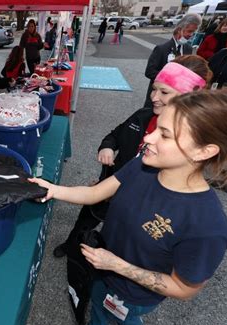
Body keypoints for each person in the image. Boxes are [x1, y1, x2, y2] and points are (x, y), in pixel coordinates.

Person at [31, 90, 227, 325]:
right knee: (95, 297)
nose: (148, 137)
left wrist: (117, 265)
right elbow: (95, 193)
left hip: (133, 293)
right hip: (102, 266)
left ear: (203, 151)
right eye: (157, 127)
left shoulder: (207, 226)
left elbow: (184, 288)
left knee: (114, 313)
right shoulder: (143, 165)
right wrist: (53, 190)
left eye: (165, 134)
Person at [53, 55, 213, 259]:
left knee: (117, 239)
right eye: (154, 88)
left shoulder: (188, 149)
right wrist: (107, 148)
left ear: (188, 96)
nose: (154, 97)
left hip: (135, 209)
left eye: (164, 92)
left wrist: (120, 266)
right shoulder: (143, 115)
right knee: (86, 221)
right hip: (110, 188)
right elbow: (114, 135)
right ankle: (71, 246)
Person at [144, 14, 202, 107]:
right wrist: (171, 81)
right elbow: (149, 72)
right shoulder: (162, 49)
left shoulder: (188, 48)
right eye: (189, 31)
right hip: (159, 95)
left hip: (177, 97)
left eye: (193, 32)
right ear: (180, 29)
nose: (191, 35)